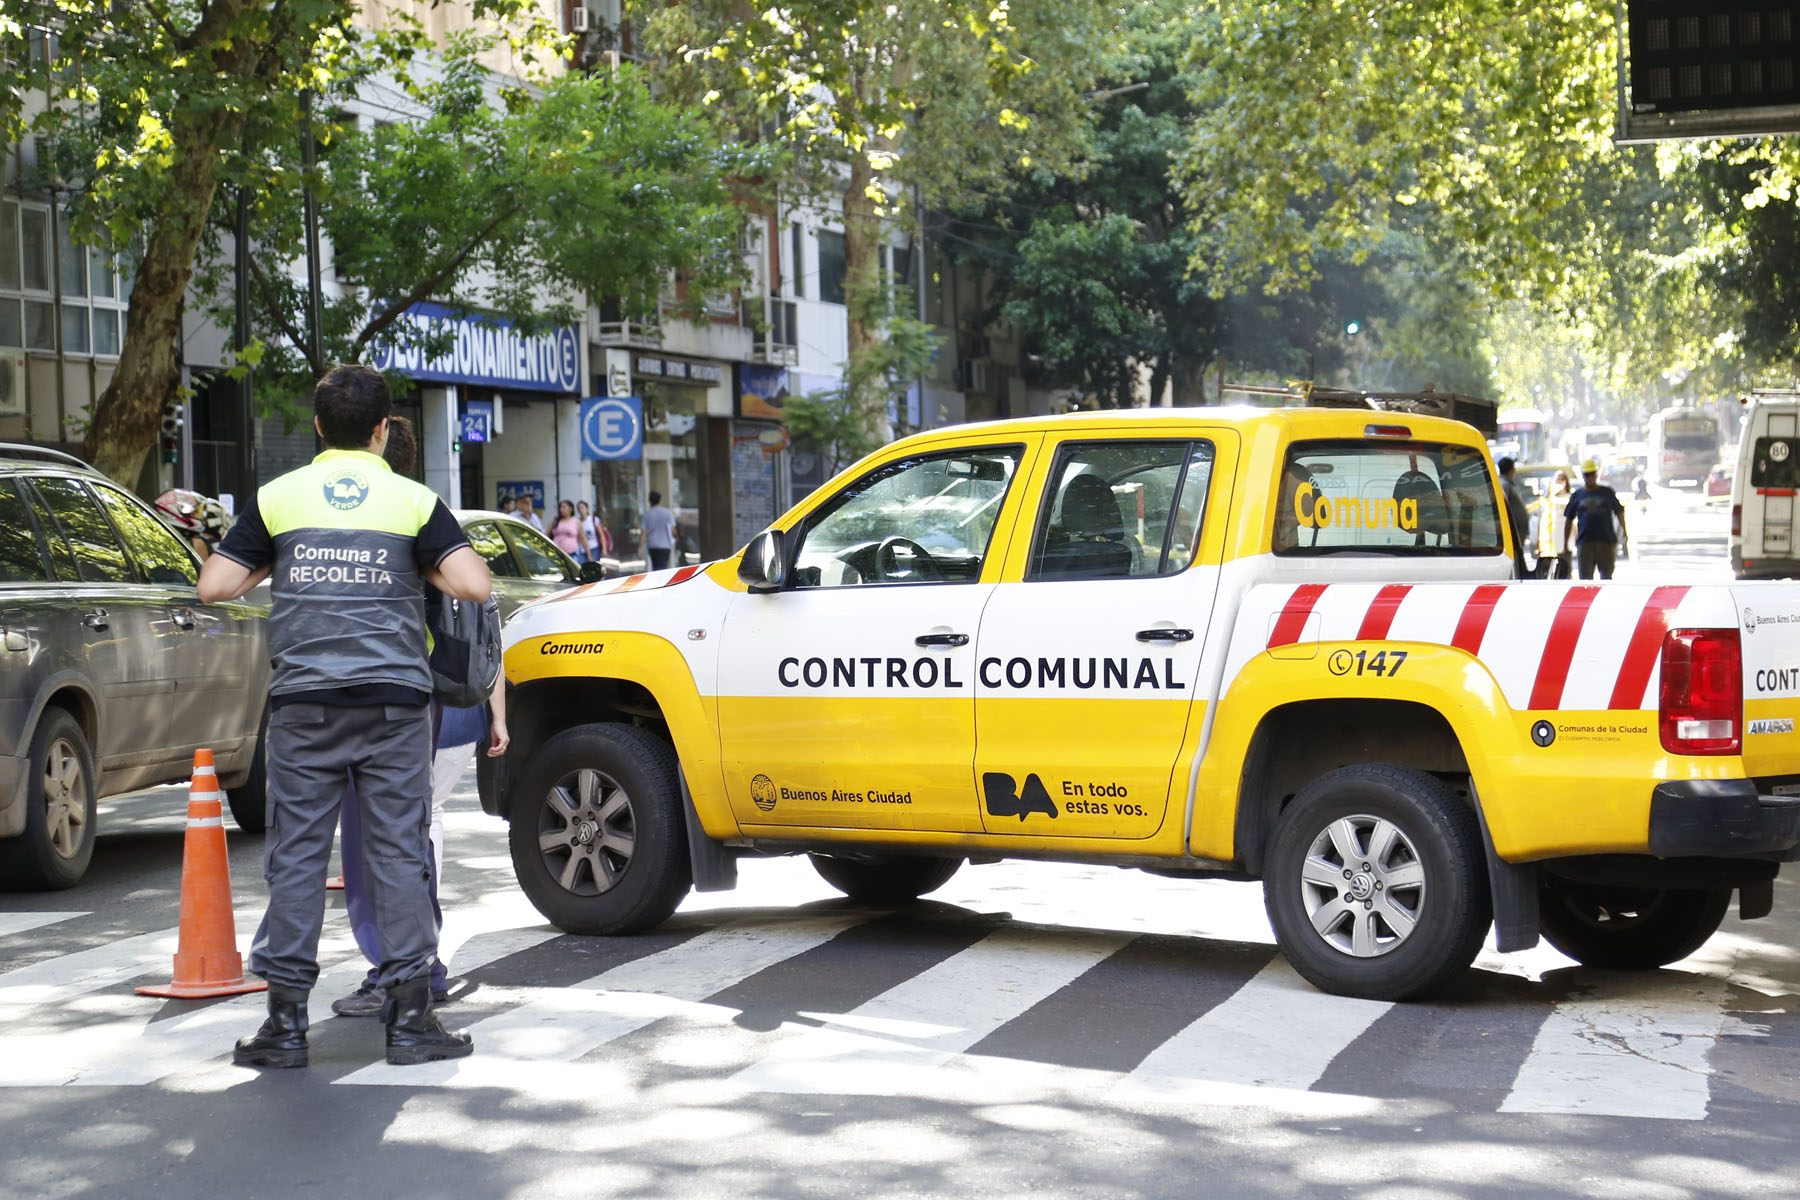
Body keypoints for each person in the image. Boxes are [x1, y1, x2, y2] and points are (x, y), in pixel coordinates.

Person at [199, 364, 489, 1070]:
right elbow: (474, 584)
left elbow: (216, 586)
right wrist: (414, 569)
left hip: (303, 708)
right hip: (393, 707)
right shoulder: (412, 502)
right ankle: (412, 1020)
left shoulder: (280, 499)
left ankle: (285, 1026)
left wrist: (281, 563)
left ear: (320, 427)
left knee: (296, 857)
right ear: (384, 431)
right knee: (396, 853)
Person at [326, 416, 510, 1019]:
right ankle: (415, 965)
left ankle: (399, 968)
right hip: (434, 710)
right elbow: (481, 623)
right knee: (409, 832)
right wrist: (494, 712)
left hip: (381, 703)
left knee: (379, 839)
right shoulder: (428, 518)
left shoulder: (370, 522)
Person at [1563, 458, 1629, 580]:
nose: (1590, 477)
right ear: (1583, 476)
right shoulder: (1577, 495)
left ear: (1596, 474)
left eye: (1592, 474)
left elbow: (1619, 512)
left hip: (1606, 542)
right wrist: (1566, 543)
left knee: (1606, 578)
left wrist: (1625, 531)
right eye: (1587, 475)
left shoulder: (1607, 492)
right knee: (1585, 580)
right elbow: (1568, 519)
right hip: (1585, 543)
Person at [1497, 457, 1532, 579]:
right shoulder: (1504, 484)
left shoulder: (1508, 483)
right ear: (1511, 470)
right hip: (1512, 533)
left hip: (1517, 532)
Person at [1536, 469, 1574, 579]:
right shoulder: (1549, 500)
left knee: (1566, 560)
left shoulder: (1570, 497)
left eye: (1562, 479)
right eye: (1558, 479)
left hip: (1566, 534)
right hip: (1552, 535)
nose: (1560, 481)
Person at [642, 490, 678, 570]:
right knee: (662, 568)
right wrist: (676, 538)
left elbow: (644, 533)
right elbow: (673, 530)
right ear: (659, 500)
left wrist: (640, 548)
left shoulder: (647, 515)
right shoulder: (667, 513)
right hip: (665, 546)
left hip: (652, 545)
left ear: (649, 501)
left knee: (655, 567)